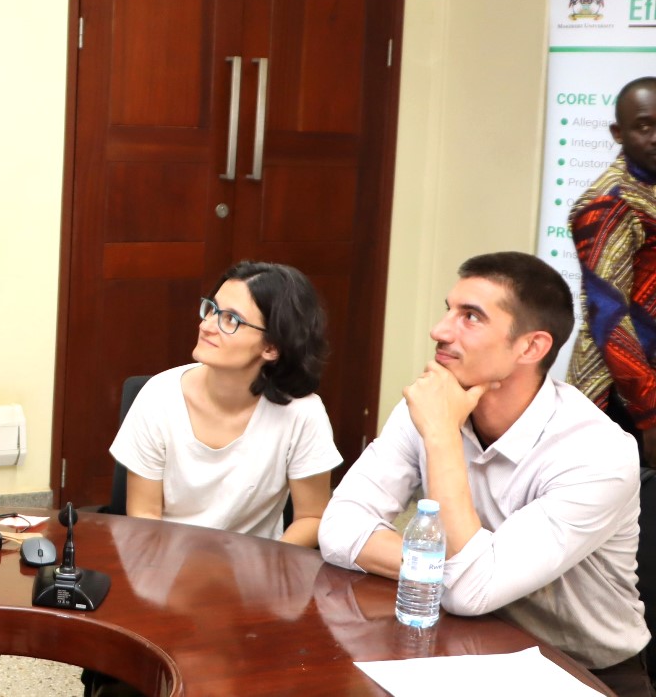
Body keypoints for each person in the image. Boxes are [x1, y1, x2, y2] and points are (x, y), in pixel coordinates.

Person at [319, 252, 649, 695]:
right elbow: (339, 527)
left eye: (470, 317)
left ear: (531, 347)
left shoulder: (597, 452)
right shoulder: (431, 403)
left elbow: (470, 591)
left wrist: (441, 438)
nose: (439, 331)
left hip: (585, 672)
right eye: (448, 310)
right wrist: (453, 572)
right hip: (465, 644)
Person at [109, 261, 340, 547]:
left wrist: (265, 570)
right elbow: (144, 514)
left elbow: (311, 517)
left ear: (271, 347)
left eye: (230, 319)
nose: (206, 326)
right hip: (164, 565)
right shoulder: (159, 396)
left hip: (254, 572)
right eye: (212, 309)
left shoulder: (302, 414)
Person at [568, 75, 656, 466]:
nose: (655, 136)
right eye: (644, 125)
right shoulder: (609, 204)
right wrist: (650, 416)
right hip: (623, 398)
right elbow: (610, 318)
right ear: (618, 133)